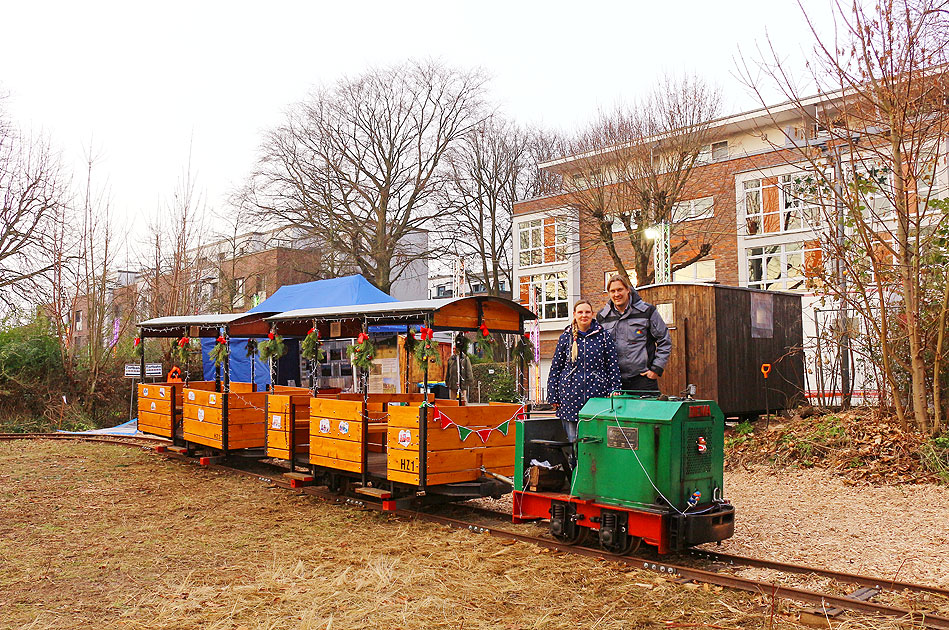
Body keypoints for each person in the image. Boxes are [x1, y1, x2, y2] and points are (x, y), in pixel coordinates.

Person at [547, 300, 621, 443]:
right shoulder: (565, 338)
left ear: (592, 314)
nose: (584, 315)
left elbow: (612, 365)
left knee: (595, 440)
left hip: (597, 396)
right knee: (573, 441)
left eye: (587, 312)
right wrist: (553, 395)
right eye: (580, 312)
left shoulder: (604, 336)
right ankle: (575, 465)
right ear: (574, 315)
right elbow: (556, 368)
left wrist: (615, 389)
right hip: (570, 397)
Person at [597, 274, 672, 393]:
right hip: (615, 383)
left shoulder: (647, 311)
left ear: (628, 290)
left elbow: (664, 340)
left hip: (643, 380)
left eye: (620, 289)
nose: (617, 294)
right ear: (609, 293)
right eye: (613, 291)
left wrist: (656, 369)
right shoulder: (602, 317)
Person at [445, 334, 474, 401]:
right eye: (453, 349)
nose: (453, 350)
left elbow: (469, 371)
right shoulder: (451, 359)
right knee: (452, 400)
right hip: (452, 383)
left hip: (462, 383)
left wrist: (469, 381)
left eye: (455, 349)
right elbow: (448, 371)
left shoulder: (465, 358)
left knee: (463, 400)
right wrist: (447, 381)